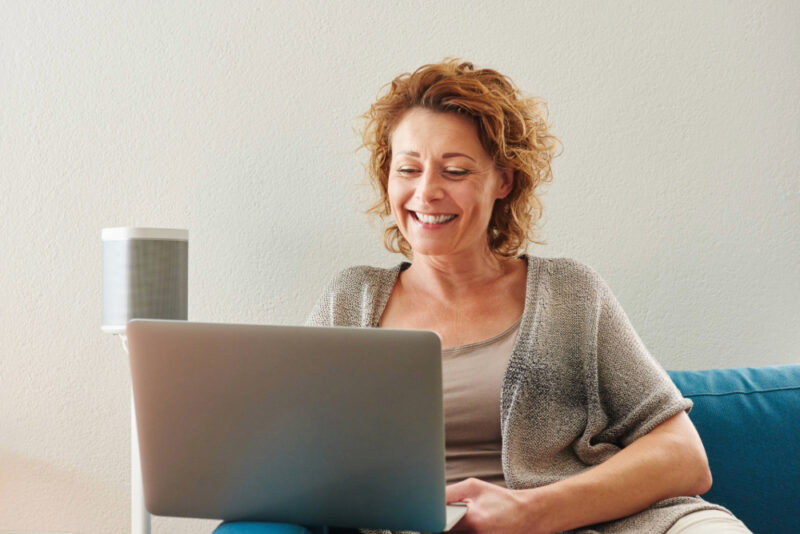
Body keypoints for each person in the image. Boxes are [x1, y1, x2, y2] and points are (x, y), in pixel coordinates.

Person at [216, 59, 751, 534]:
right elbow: (283, 456)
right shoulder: (351, 300)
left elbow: (684, 457)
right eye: (407, 169)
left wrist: (532, 512)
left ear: (503, 181)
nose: (426, 192)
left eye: (455, 170)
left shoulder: (569, 292)